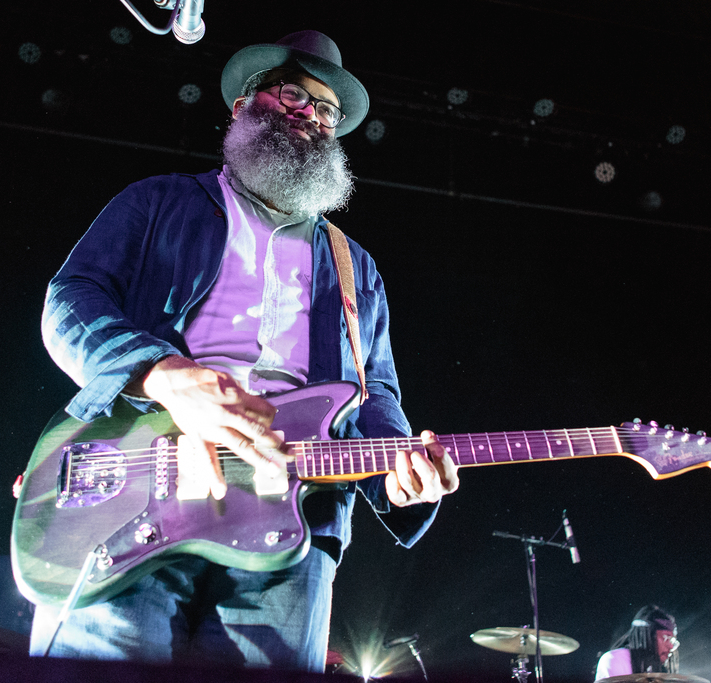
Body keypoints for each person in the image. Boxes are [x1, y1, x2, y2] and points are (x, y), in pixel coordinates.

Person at [30, 30, 459, 671]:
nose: (310, 116)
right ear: (242, 107)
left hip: (295, 523)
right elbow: (70, 302)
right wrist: (160, 373)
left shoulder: (356, 269)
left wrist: (403, 476)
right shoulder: (159, 202)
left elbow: (376, 395)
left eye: (325, 110)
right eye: (293, 95)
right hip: (138, 486)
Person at [594, 604, 680, 680]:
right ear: (647, 636)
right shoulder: (615, 660)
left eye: (672, 640)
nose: (671, 646)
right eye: (666, 638)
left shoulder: (653, 668)